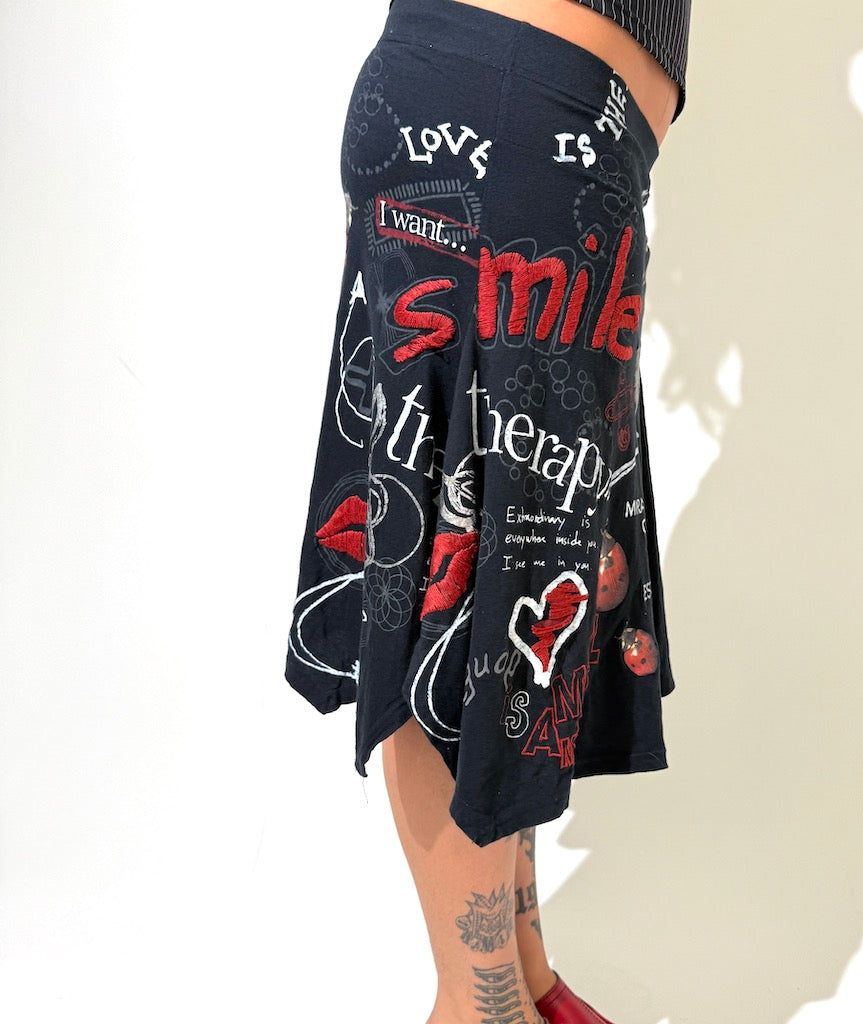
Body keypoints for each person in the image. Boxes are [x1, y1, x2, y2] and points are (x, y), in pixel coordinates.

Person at [284, 0, 691, 1020]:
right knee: (456, 576)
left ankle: (523, 978)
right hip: (495, 114)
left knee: (519, 583)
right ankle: (481, 1005)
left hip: (572, 144)